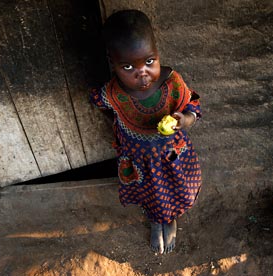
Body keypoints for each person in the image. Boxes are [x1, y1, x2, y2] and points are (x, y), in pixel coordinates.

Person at [90, 9, 202, 254]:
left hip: (172, 155)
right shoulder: (111, 94)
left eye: (149, 61)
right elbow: (101, 105)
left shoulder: (172, 83)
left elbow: (192, 104)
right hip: (138, 159)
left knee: (175, 188)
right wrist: (120, 122)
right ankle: (156, 219)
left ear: (157, 53)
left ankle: (170, 218)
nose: (142, 72)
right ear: (113, 63)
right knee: (150, 192)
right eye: (128, 66)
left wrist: (186, 120)